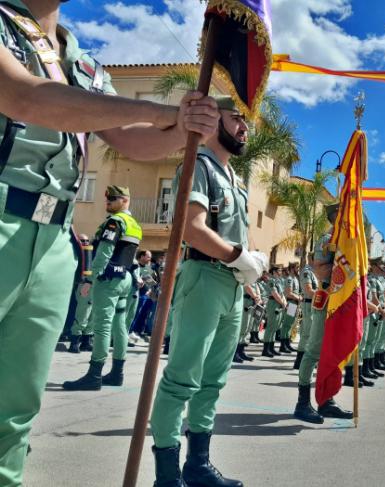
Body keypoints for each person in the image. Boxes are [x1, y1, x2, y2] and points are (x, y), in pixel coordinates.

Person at [0, 0, 219, 481]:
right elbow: (24, 97)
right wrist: (159, 109)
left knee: (14, 412)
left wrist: (183, 129)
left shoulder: (80, 59)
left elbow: (131, 138)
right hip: (3, 212)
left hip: (54, 236)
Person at [148, 95, 266, 487]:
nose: (245, 128)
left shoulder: (235, 180)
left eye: (246, 122)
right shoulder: (198, 165)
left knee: (213, 382)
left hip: (230, 286)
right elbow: (191, 229)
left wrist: (246, 267)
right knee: (182, 380)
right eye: (238, 119)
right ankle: (167, 475)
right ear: (215, 120)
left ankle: (197, 466)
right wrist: (238, 256)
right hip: (203, 278)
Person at [62, 185, 142, 390]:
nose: (107, 203)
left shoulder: (115, 222)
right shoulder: (134, 223)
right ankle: (117, 374)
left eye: (113, 199)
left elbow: (103, 254)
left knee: (102, 326)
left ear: (125, 200)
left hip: (107, 280)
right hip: (124, 279)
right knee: (120, 325)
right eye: (107, 199)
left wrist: (90, 280)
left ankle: (94, 375)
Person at [293, 203, 353, 424]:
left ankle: (326, 401)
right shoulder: (327, 240)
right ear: (335, 217)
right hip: (328, 299)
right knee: (314, 351)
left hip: (343, 302)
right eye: (345, 215)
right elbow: (318, 268)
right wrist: (344, 268)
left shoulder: (349, 242)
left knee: (334, 352)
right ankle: (302, 402)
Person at [68, 233, 94, 353]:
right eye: (82, 241)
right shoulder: (74, 252)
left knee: (91, 316)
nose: (85, 243)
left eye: (87, 241)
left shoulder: (92, 254)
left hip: (94, 286)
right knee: (82, 315)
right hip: (83, 285)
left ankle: (86, 342)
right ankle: (74, 343)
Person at [293, 255, 317, 370]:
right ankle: (299, 360)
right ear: (311, 259)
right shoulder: (306, 272)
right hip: (308, 305)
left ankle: (307, 360)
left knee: (312, 334)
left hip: (315, 305)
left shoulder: (315, 272)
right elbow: (308, 290)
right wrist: (324, 294)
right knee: (306, 334)